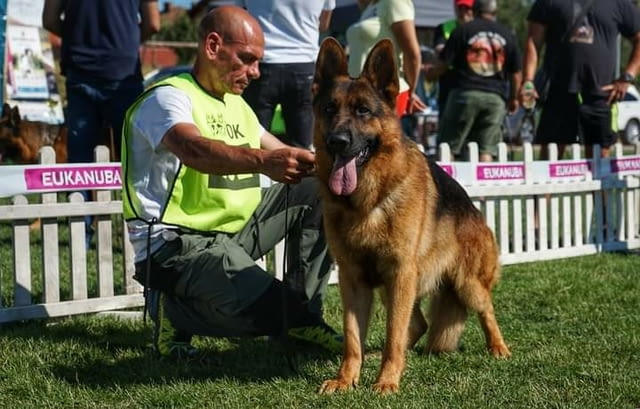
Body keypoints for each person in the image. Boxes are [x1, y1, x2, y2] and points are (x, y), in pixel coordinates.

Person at [121, 5, 342, 359]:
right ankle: (173, 309)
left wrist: (339, 168)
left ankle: (303, 318)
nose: (256, 72)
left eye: (258, 62)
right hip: (175, 246)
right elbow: (192, 149)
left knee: (316, 189)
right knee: (273, 312)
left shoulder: (236, 105)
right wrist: (264, 161)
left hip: (229, 237)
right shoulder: (167, 97)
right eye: (248, 59)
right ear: (212, 46)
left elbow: (288, 154)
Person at [42, 0, 160, 247]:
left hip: (80, 69)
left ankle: (81, 237)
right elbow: (153, 23)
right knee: (136, 160)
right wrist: (123, 41)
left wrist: (79, 38)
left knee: (80, 163)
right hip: (123, 71)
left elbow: (50, 20)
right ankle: (144, 234)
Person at [521, 0, 640, 160]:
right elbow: (534, 42)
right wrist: (528, 80)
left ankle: (599, 186)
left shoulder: (617, 3)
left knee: (599, 161)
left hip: (601, 93)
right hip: (559, 90)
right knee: (550, 158)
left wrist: (627, 77)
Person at [427, 0, 522, 162]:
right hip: (495, 97)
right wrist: (513, 98)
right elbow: (516, 73)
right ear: (495, 12)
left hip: (465, 93)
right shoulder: (507, 35)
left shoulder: (462, 30)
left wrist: (430, 74)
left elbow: (443, 64)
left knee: (447, 147)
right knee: (486, 149)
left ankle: (444, 186)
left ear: (474, 10)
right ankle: (486, 186)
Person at [239, 0, 335, 149]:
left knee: (251, 142)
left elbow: (241, 18)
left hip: (262, 64)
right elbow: (324, 25)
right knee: (302, 146)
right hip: (304, 64)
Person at [346, 0, 427, 117]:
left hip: (383, 93)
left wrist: (411, 91)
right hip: (358, 91)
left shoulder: (396, 2)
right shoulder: (371, 6)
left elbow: (412, 54)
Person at [432, 0, 474, 124]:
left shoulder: (480, 29)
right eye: (460, 8)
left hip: (473, 85)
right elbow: (439, 50)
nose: (463, 12)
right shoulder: (444, 28)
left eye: (467, 8)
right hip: (449, 87)